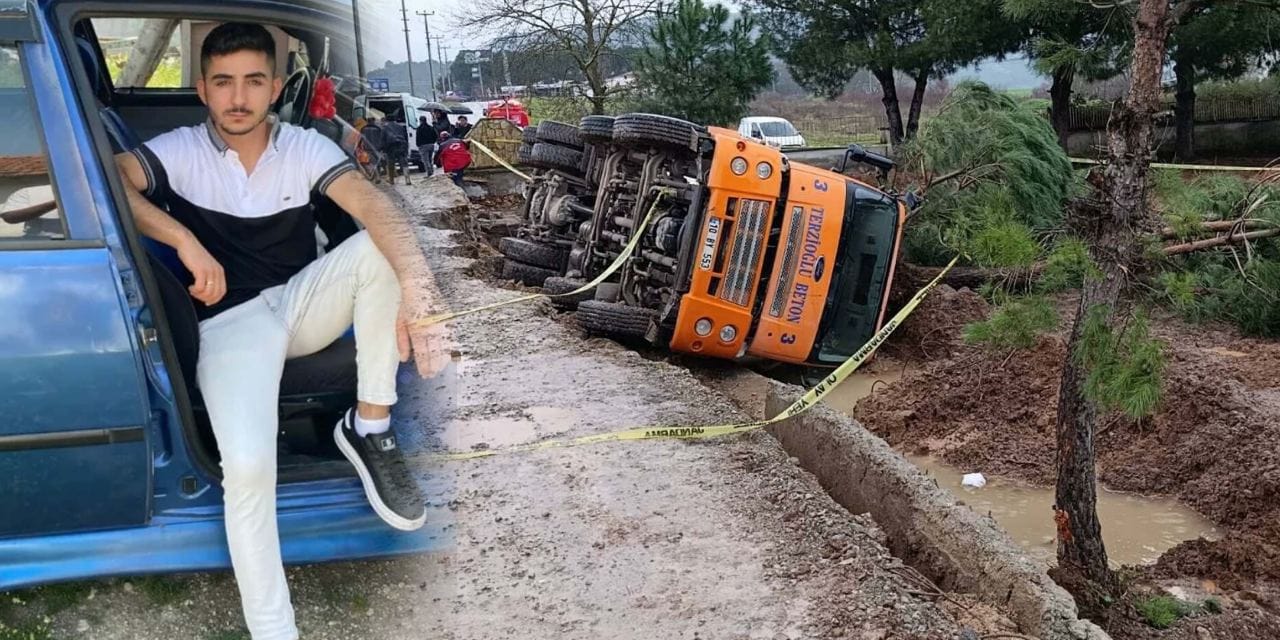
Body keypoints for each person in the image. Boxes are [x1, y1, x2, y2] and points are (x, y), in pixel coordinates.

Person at [113, 23, 445, 640]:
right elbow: (110, 181)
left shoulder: (303, 146)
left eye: (253, 81)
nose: (238, 98)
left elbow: (375, 206)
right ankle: (274, 631)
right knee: (246, 467)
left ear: (275, 86)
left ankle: (369, 426)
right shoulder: (181, 148)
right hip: (230, 327)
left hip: (297, 307)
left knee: (382, 248)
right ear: (202, 89)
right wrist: (183, 239)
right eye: (223, 83)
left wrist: (419, 292)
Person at [382, 115, 412, 185]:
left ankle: (391, 180)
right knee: (404, 163)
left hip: (391, 148)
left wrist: (382, 149)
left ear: (386, 120)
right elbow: (405, 137)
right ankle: (407, 179)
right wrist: (406, 147)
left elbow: (383, 140)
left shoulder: (385, 128)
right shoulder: (400, 127)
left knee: (391, 164)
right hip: (401, 146)